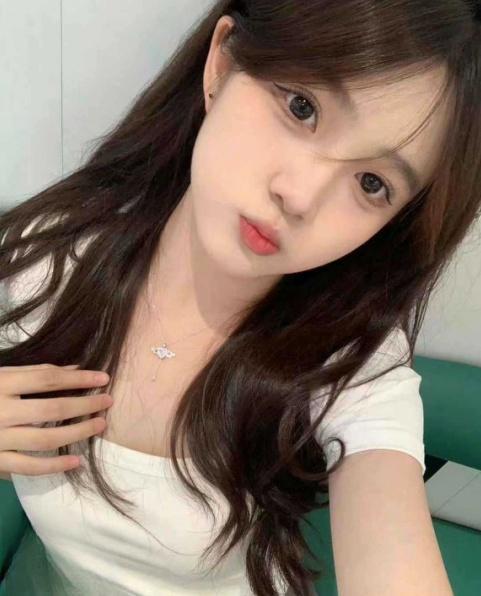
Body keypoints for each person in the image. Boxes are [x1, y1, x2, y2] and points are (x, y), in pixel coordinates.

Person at [0, 0, 479, 593]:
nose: (300, 195)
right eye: (302, 107)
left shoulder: (348, 366)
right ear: (222, 64)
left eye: (371, 183)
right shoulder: (41, 266)